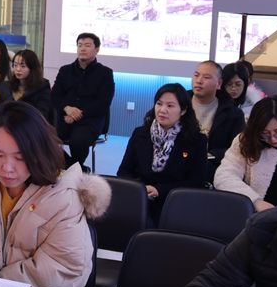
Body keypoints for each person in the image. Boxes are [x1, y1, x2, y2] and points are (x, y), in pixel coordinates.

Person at [0, 102, 109, 287]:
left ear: (40, 152)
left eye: (20, 157)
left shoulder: (64, 198)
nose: (7, 168)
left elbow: (60, 268)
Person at [117, 84, 209, 225]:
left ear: (183, 111)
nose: (162, 110)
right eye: (159, 104)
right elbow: (124, 171)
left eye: (170, 106)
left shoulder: (196, 140)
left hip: (174, 201)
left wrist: (159, 190)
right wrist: (139, 189)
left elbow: (197, 181)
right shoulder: (140, 134)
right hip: (140, 197)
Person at [50, 32, 115, 170]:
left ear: (97, 49)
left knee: (78, 141)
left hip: (90, 120)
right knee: (44, 137)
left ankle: (73, 169)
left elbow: (103, 102)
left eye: (87, 45)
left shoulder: (105, 73)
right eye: (79, 45)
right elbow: (55, 95)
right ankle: (76, 168)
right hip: (65, 118)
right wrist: (67, 108)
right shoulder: (65, 70)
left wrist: (79, 114)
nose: (82, 49)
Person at [188, 60, 245, 162]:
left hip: (213, 165)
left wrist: (210, 156)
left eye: (206, 77)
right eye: (196, 75)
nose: (199, 81)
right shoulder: (179, 104)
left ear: (219, 83)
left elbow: (238, 148)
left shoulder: (233, 114)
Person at [0, 50, 51, 118]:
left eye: (23, 66)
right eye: (15, 65)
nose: (18, 69)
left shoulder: (42, 90)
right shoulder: (6, 87)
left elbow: (40, 117)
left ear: (32, 68)